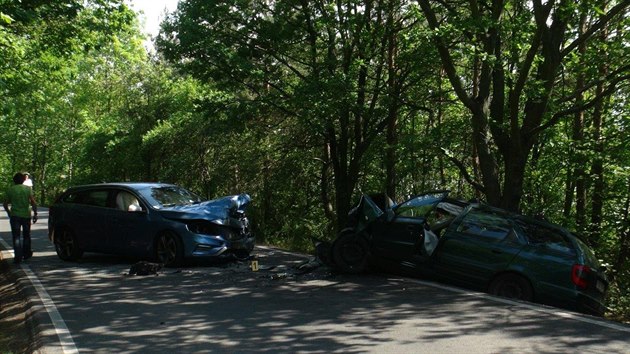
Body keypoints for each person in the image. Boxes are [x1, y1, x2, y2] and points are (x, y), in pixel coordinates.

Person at [3, 173, 38, 264]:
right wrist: (35, 213)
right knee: (26, 235)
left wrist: (9, 212)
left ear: (14, 180)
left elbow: (5, 204)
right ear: (23, 180)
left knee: (16, 236)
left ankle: (18, 257)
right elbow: (33, 202)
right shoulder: (27, 189)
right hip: (26, 215)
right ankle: (26, 254)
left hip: (15, 215)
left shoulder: (11, 190)